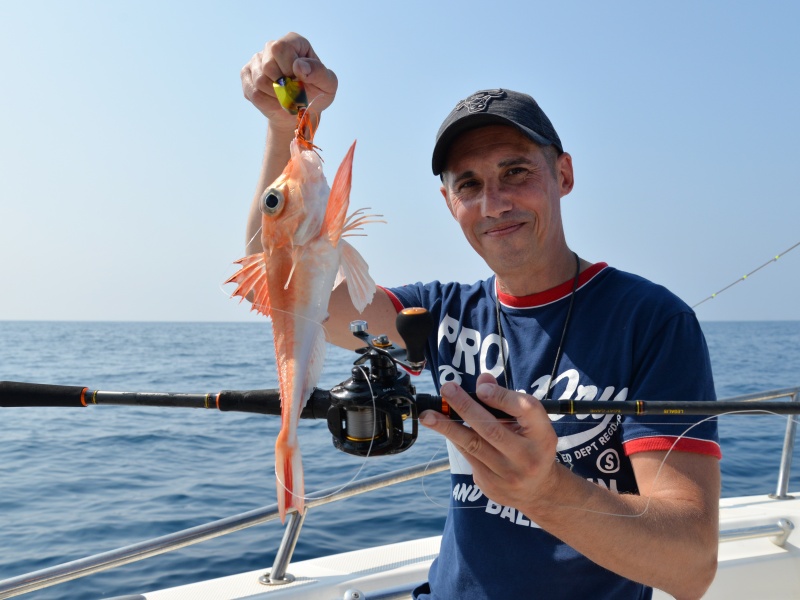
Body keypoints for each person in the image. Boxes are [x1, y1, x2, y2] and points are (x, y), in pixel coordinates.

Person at [240, 32, 722, 600]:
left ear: (563, 175)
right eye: (468, 184)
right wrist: (281, 128)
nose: (494, 203)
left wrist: (546, 492)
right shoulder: (436, 313)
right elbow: (276, 290)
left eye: (516, 172)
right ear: (449, 203)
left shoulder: (653, 322)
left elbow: (692, 567)